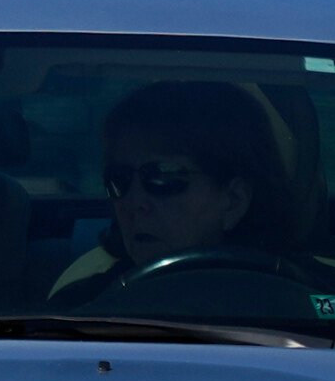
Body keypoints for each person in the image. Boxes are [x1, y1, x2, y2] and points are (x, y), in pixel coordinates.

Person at [48, 80, 279, 305]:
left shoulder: (297, 306)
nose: (134, 201)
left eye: (163, 177)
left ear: (233, 201)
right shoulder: (79, 311)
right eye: (119, 179)